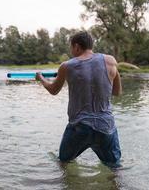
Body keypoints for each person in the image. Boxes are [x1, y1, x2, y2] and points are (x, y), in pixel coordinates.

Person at [36, 31, 122, 167]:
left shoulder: (66, 66)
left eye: (71, 48)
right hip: (106, 127)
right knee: (114, 169)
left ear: (76, 46)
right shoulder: (110, 61)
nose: (71, 51)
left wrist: (40, 78)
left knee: (63, 163)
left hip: (79, 127)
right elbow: (117, 92)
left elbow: (53, 90)